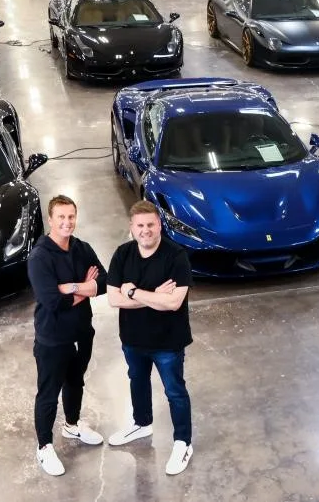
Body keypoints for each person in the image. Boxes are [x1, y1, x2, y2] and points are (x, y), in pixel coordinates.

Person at [106, 200, 194, 475]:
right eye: (140, 225)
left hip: (168, 341)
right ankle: (141, 424)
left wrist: (133, 292)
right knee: (138, 382)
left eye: (151, 225)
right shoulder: (122, 254)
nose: (146, 230)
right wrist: (155, 296)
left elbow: (173, 303)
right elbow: (112, 298)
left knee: (175, 391)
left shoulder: (176, 256)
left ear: (160, 225)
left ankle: (183, 442)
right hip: (132, 338)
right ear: (132, 228)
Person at [27, 195, 108, 477]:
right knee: (48, 393)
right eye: (61, 217)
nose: (67, 222)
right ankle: (44, 446)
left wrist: (71, 287)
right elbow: (52, 301)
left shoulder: (81, 248)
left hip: (82, 332)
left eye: (71, 216)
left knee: (75, 381)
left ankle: (72, 425)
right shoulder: (40, 257)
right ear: (50, 220)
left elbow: (104, 282)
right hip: (53, 338)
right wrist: (85, 286)